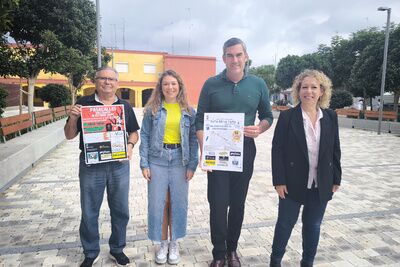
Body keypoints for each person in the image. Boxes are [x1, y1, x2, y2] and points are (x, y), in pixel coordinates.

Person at [195, 37, 274, 267]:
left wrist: (259, 128)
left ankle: (232, 251)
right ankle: (218, 253)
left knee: (238, 203)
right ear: (224, 58)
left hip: (245, 149)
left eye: (239, 55)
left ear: (246, 57)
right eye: (230, 55)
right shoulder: (211, 84)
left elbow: (268, 116)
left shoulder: (258, 84)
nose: (234, 59)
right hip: (216, 150)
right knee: (218, 204)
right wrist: (203, 151)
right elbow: (200, 119)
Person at [64, 67, 140, 267]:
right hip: (91, 166)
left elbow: (134, 132)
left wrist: (130, 146)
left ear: (117, 82)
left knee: (121, 209)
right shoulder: (83, 104)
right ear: (95, 81)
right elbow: (69, 135)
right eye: (103, 78)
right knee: (89, 210)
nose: (107, 82)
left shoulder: (124, 106)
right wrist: (73, 118)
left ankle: (117, 249)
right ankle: (90, 252)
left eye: (111, 79)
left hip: (118, 165)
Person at [270, 69, 342, 267]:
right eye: (304, 87)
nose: (308, 91)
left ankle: (307, 263)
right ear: (298, 90)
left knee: (313, 226)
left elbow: (335, 149)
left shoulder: (330, 117)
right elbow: (277, 151)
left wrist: (336, 178)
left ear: (322, 91)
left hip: (321, 183)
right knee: (284, 226)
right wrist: (279, 181)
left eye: (313, 87)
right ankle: (275, 261)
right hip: (292, 183)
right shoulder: (287, 118)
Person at [139, 69, 198, 265]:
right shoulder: (152, 110)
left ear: (179, 86)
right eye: (166, 84)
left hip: (181, 160)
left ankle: (175, 242)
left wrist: (192, 165)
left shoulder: (189, 111)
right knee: (159, 203)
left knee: (178, 203)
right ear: (161, 88)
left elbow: (192, 138)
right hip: (158, 160)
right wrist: (144, 163)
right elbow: (145, 136)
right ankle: (162, 242)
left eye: (173, 83)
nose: (170, 87)